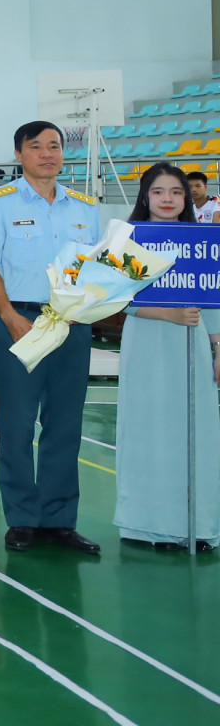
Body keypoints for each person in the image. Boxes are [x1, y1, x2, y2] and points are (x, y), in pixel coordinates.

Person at [0, 121, 103, 554]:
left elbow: (99, 270)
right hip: (19, 321)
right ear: (19, 155)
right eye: (36, 146)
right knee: (18, 422)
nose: (48, 153)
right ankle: (23, 519)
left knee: (65, 423)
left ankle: (60, 521)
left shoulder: (85, 206)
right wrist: (7, 316)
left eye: (54, 146)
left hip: (73, 325)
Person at [112, 163, 218, 549]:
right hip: (147, 344)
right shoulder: (127, 240)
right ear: (145, 196)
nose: (168, 199)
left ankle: (198, 525)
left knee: (196, 433)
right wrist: (168, 313)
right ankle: (146, 525)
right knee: (147, 430)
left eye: (176, 192)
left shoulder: (204, 240)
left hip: (192, 344)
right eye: (159, 192)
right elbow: (117, 297)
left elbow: (212, 299)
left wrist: (218, 349)